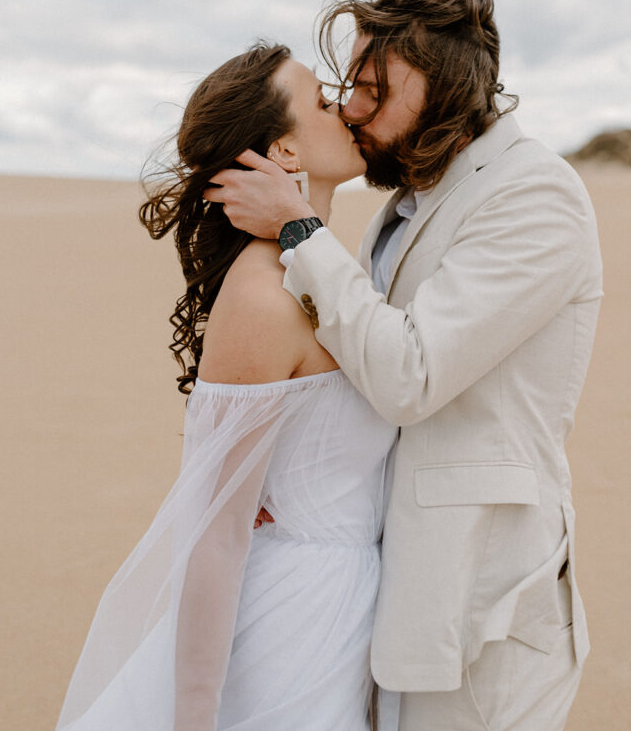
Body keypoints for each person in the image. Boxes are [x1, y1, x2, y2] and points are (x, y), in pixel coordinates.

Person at [204, 0, 604, 731]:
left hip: (483, 610)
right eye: (347, 86)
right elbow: (362, 361)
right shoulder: (404, 206)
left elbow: (410, 377)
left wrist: (298, 231)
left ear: (448, 86)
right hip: (393, 596)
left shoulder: (535, 196)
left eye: (375, 88)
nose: (352, 108)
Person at [54, 42, 398, 731]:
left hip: (345, 613)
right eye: (324, 104)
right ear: (286, 152)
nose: (349, 110)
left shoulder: (333, 274)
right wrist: (194, 718)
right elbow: (215, 536)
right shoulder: (263, 298)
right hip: (287, 636)